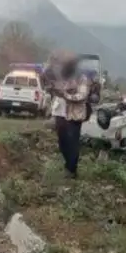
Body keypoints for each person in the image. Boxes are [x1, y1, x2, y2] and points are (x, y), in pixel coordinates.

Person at [43, 50, 90, 179]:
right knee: (62, 142)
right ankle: (68, 165)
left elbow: (82, 96)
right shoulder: (62, 78)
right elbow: (47, 75)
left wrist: (66, 95)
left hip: (74, 115)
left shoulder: (82, 79)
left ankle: (71, 170)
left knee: (72, 143)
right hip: (60, 114)